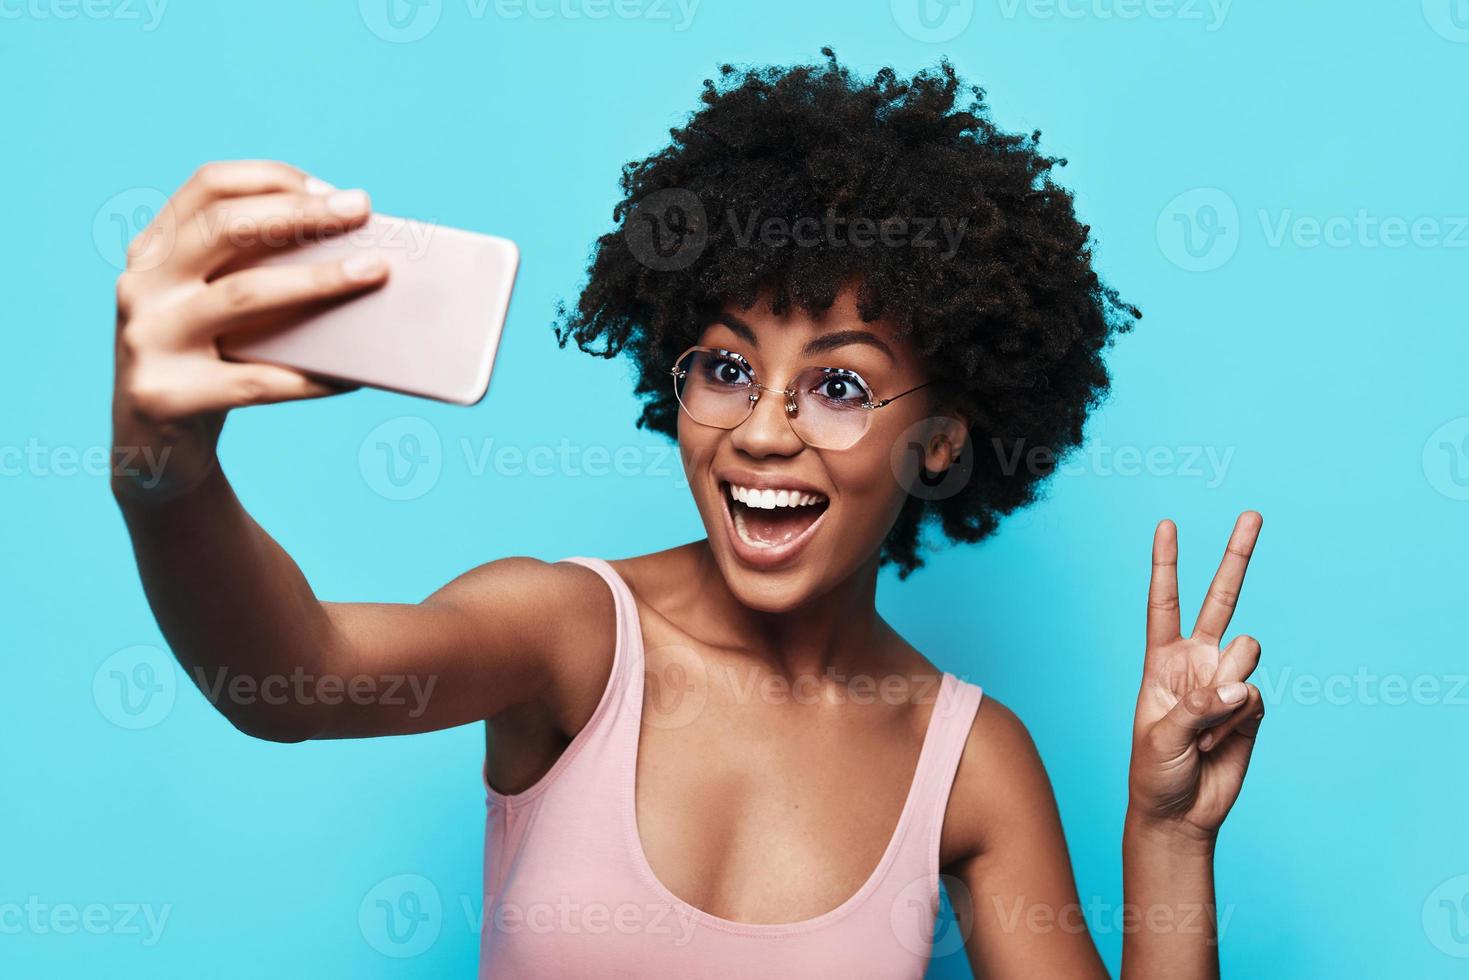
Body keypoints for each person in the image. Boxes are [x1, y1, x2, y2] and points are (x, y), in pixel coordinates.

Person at [110, 49, 1266, 979]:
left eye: (839, 385)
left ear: (943, 438)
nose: (760, 431)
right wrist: (164, 470)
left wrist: (1168, 841)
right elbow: (296, 676)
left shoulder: (970, 761)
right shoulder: (571, 635)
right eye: (723, 367)